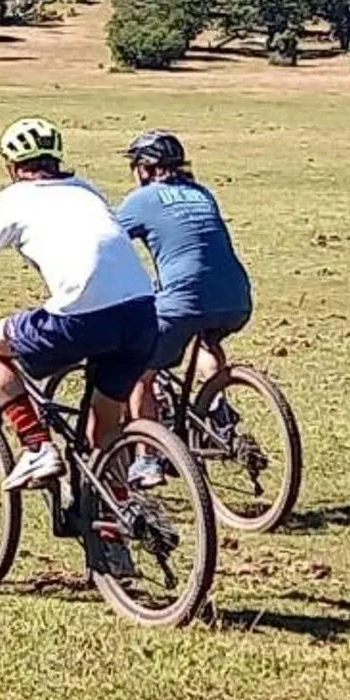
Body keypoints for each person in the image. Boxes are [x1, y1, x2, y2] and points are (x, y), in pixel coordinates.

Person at [0, 117, 161, 489]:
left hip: (82, 317)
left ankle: (36, 446)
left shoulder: (10, 201)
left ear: (10, 165)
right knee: (104, 428)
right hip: (141, 314)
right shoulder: (87, 189)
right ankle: (115, 529)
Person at [114, 130, 255, 475]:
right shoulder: (202, 193)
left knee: (139, 374)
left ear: (145, 169)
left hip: (184, 300)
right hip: (235, 297)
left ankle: (147, 460)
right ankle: (218, 405)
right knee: (206, 339)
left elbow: (108, 243)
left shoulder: (142, 200)